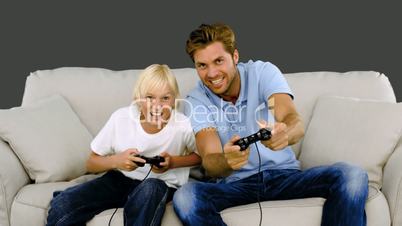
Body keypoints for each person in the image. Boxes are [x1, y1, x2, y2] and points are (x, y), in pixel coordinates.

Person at [173, 23, 369, 226]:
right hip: (235, 185)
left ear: (235, 57)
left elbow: (291, 119)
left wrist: (285, 133)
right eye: (202, 65)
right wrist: (227, 160)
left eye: (219, 61)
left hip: (285, 177)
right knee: (186, 197)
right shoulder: (197, 100)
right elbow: (210, 161)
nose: (212, 73)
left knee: (352, 176)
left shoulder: (262, 74)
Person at [46, 64, 201, 226]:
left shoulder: (182, 124)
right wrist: (116, 161)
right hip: (119, 180)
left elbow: (200, 157)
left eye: (165, 98)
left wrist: (173, 162)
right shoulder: (121, 118)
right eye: (150, 97)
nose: (157, 106)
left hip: (160, 185)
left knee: (151, 188)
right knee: (63, 203)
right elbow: (91, 163)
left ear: (175, 99)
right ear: (138, 99)